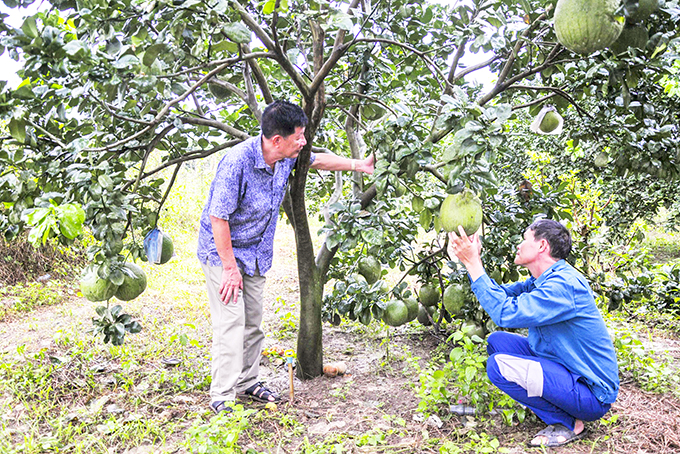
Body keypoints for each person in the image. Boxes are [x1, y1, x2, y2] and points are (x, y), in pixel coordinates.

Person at [197, 100, 374, 414]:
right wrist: (229, 269)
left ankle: (247, 383)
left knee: (253, 324)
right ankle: (222, 396)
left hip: (255, 254)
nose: (304, 142)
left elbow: (319, 161)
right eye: (299, 136)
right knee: (231, 324)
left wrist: (359, 165)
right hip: (224, 254)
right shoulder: (237, 163)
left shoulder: (285, 158)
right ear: (276, 140)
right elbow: (218, 218)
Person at [447, 218, 619, 447]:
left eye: (525, 239)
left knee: (498, 366)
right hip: (565, 367)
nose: (519, 245)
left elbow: (505, 313)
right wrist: (471, 261)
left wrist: (474, 263)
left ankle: (568, 422)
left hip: (590, 393)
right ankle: (551, 402)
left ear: (541, 246)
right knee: (497, 342)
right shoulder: (543, 279)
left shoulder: (562, 286)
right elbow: (500, 295)